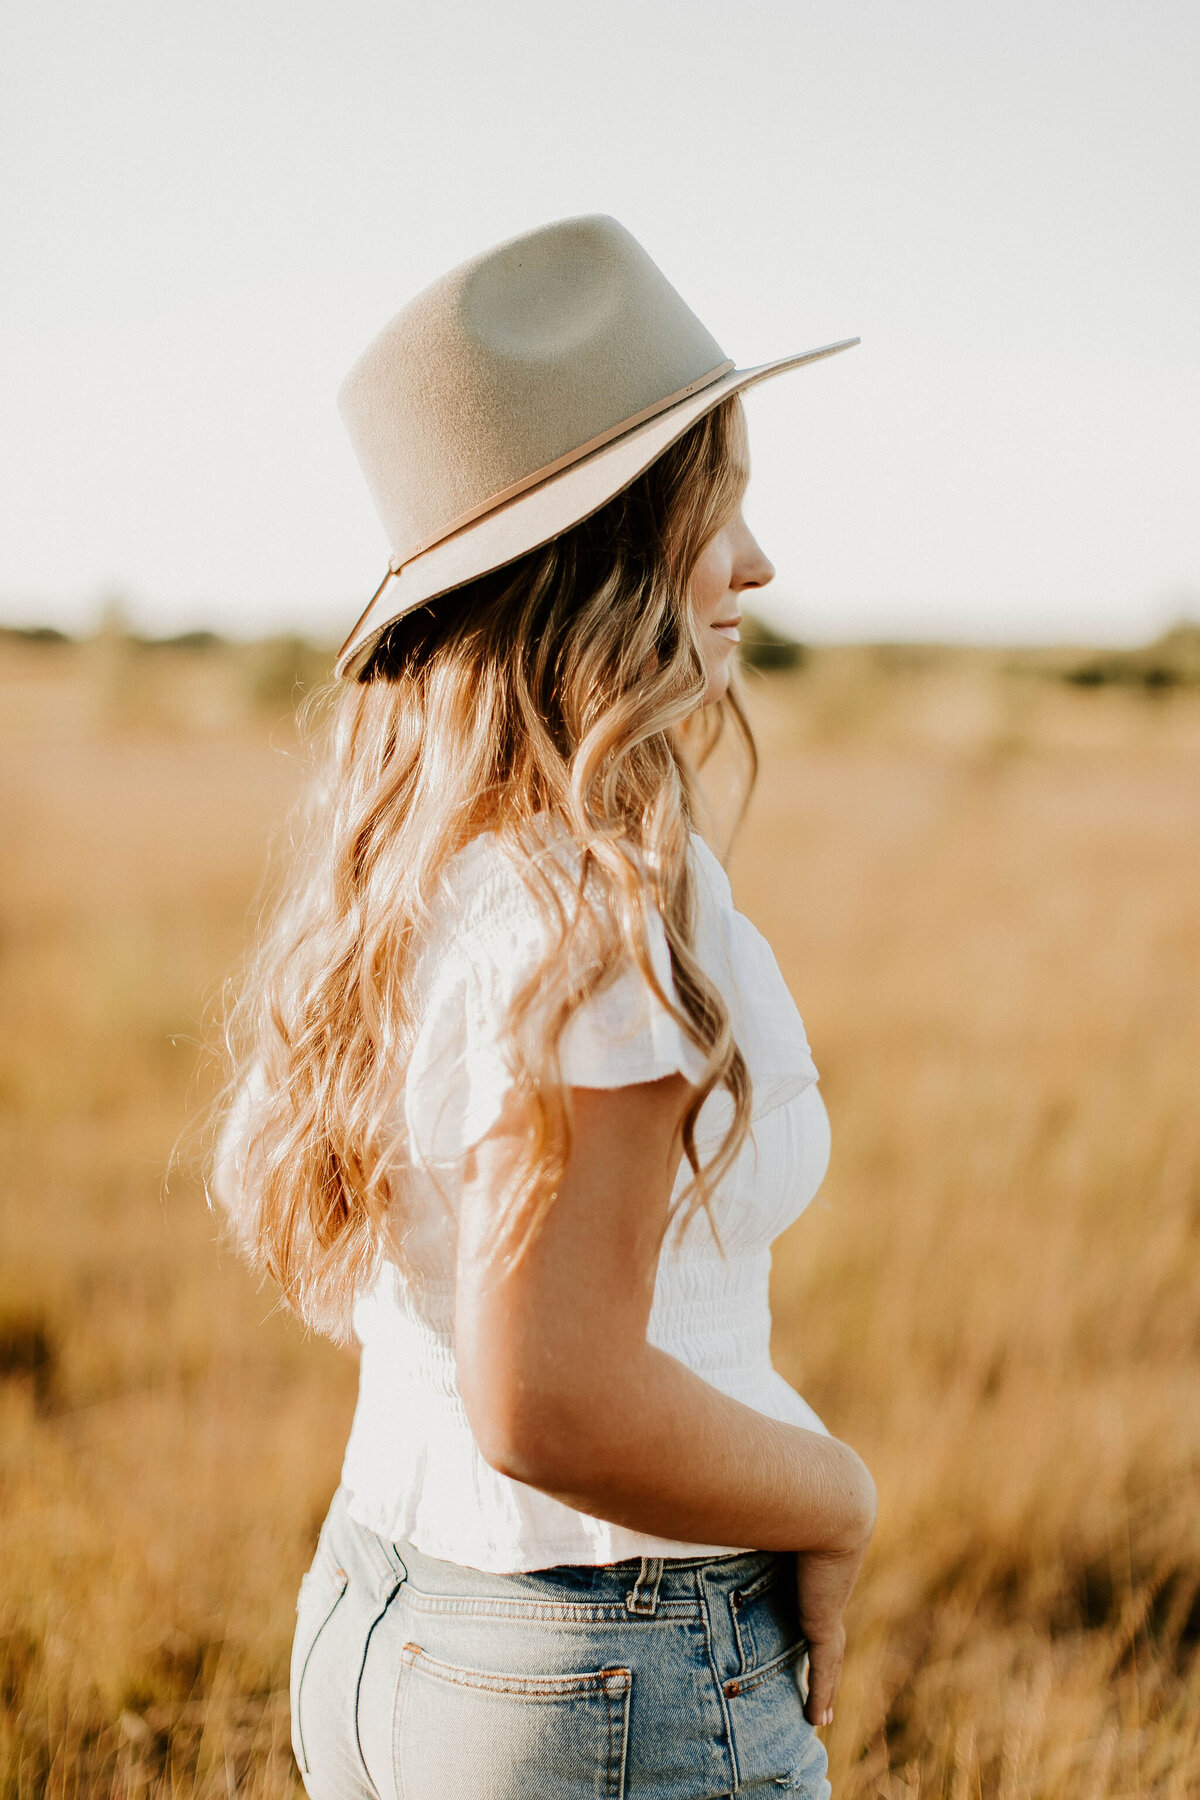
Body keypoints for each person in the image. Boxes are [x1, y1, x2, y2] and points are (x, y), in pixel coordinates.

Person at [212, 214, 876, 1800]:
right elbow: (552, 1394)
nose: (761, 565)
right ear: (620, 542)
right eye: (725, 506)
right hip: (607, 1668)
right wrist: (835, 1495)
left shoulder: (417, 864)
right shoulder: (606, 899)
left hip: (377, 1618)